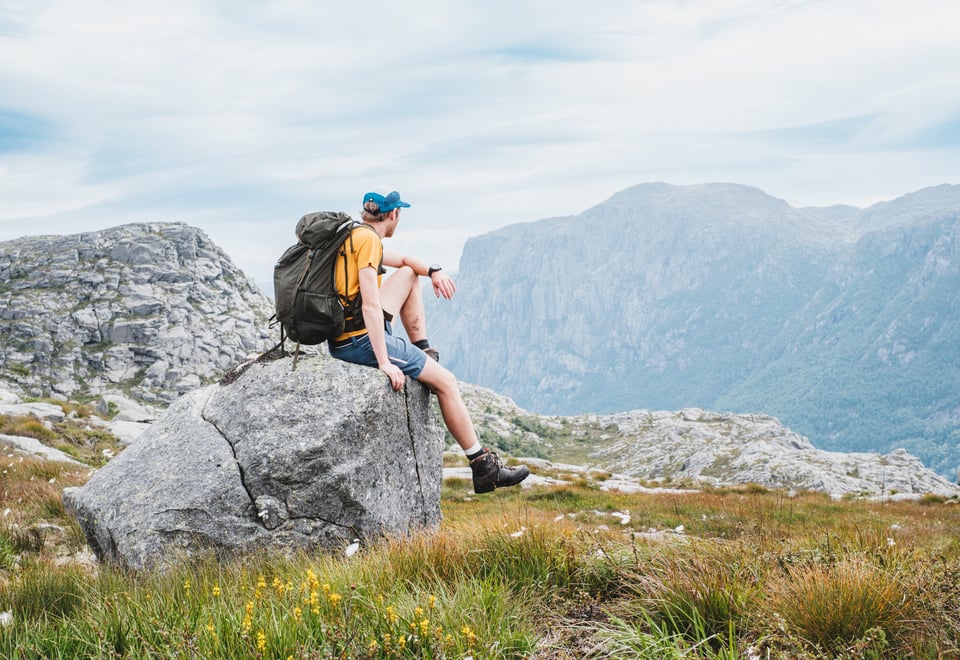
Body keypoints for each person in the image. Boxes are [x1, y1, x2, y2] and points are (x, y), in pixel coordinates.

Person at [327, 187, 529, 494]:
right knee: (446, 382)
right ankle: (484, 467)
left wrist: (433, 270)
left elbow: (407, 261)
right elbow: (369, 304)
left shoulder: (355, 235)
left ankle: (422, 352)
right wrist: (384, 362)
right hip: (361, 339)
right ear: (393, 215)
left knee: (409, 273)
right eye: (400, 215)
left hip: (345, 334)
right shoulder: (368, 242)